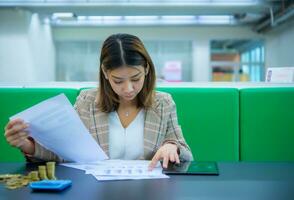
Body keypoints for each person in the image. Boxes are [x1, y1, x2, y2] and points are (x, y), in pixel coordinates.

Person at [4, 33, 193, 170]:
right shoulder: (87, 102)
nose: (128, 89)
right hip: (95, 190)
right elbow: (64, 154)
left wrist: (172, 146)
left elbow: (185, 151)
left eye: (135, 78)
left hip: (150, 190)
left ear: (146, 69)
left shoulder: (163, 103)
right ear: (105, 73)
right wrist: (26, 145)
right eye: (118, 81)